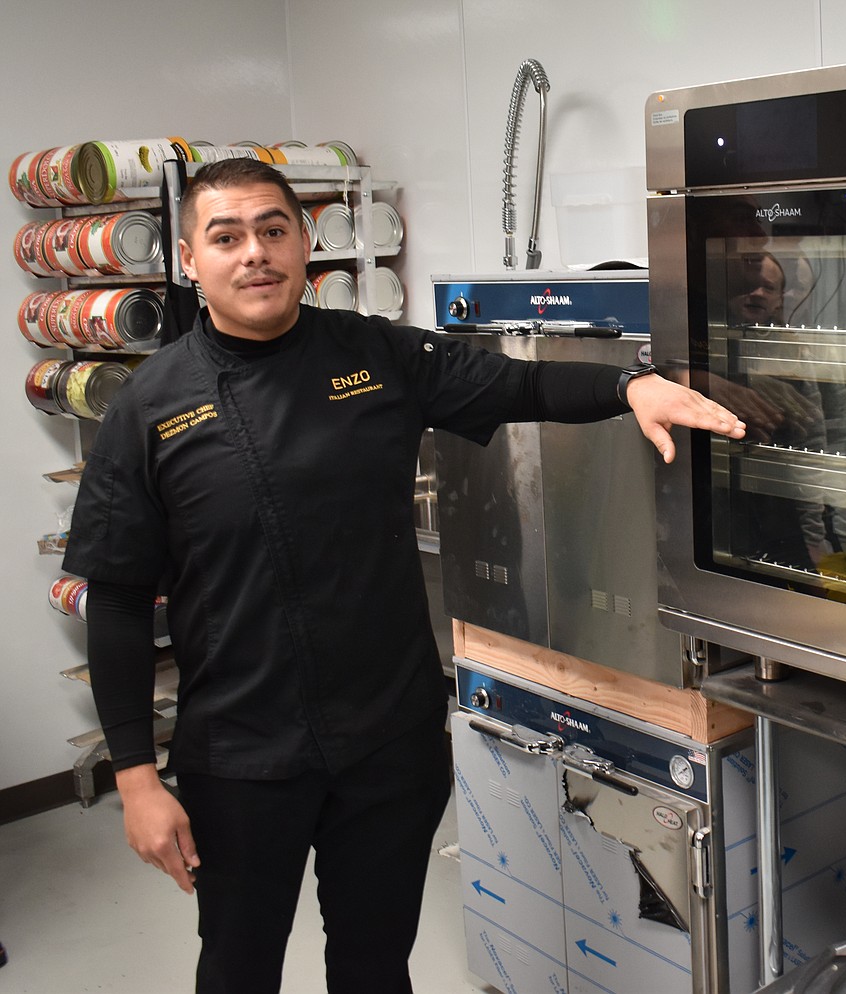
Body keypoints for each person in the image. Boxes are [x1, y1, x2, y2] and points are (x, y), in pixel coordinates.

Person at [61, 157, 745, 994]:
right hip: (243, 756)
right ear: (189, 259)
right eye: (227, 236)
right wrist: (136, 777)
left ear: (305, 243)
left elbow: (517, 380)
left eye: (273, 231)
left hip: (388, 740)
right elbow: (120, 601)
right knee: (238, 969)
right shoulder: (149, 407)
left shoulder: (373, 353)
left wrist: (629, 386)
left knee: (376, 962)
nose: (255, 254)